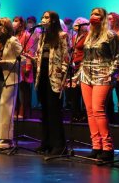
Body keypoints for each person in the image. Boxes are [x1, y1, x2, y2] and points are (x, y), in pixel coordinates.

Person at [78, 7, 119, 161]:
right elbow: (84, 57)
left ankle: (108, 148)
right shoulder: (88, 35)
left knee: (98, 110)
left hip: (102, 75)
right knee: (89, 111)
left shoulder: (110, 35)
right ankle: (96, 145)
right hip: (86, 75)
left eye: (97, 14)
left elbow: (116, 56)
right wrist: (78, 75)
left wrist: (111, 73)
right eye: (91, 14)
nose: (93, 16)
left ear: (103, 18)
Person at [33, 11, 69, 156]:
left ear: (54, 20)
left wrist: (63, 77)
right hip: (42, 76)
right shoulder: (41, 36)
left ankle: (59, 145)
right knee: (45, 111)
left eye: (47, 17)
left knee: (54, 112)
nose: (43, 19)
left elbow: (66, 58)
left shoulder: (62, 36)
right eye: (42, 17)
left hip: (55, 77)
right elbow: (39, 56)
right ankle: (46, 143)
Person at [0, 17, 22, 149]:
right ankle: (1, 136)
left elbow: (23, 59)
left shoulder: (13, 41)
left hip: (10, 77)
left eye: (0, 25)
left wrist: (6, 62)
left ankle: (8, 139)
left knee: (6, 107)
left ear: (6, 27)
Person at [67, 17, 89, 123]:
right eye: (75, 23)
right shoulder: (75, 36)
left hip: (83, 65)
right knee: (75, 91)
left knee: (83, 90)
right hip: (74, 65)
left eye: (79, 24)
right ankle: (76, 114)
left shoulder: (87, 36)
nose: (76, 25)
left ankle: (85, 115)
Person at [12, 16, 35, 119]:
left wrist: (28, 67)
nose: (13, 23)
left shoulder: (26, 35)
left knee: (23, 90)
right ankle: (15, 110)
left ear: (21, 23)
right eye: (13, 21)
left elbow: (30, 51)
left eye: (16, 21)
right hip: (14, 66)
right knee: (14, 91)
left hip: (24, 66)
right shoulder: (12, 36)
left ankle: (22, 110)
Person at [107, 11, 119, 124]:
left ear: (116, 20)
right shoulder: (107, 33)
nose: (109, 21)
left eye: (111, 19)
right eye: (107, 19)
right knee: (107, 93)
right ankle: (111, 116)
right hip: (107, 65)